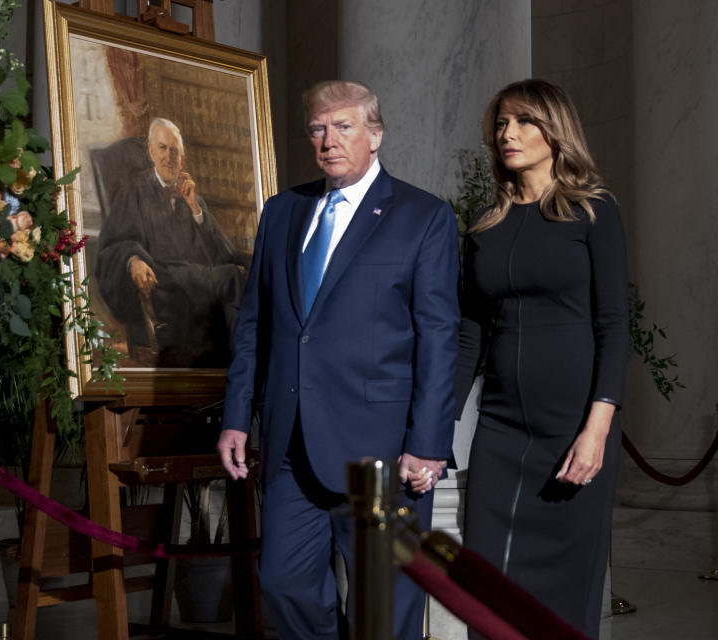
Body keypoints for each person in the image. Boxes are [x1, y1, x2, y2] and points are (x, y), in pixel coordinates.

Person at [218, 81, 459, 639]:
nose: (329, 140)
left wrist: (428, 444)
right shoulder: (282, 212)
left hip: (379, 452)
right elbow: (255, 324)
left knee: (381, 611)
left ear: (375, 134)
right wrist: (237, 416)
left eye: (344, 126)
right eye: (318, 129)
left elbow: (439, 336)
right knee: (282, 583)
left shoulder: (423, 217)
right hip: (290, 447)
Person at [454, 79, 629, 638]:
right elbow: (469, 335)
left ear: (556, 131)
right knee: (486, 584)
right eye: (502, 123)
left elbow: (613, 324)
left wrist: (597, 429)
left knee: (563, 593)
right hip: (501, 430)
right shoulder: (485, 227)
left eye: (524, 122)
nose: (509, 134)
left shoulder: (593, 212)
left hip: (574, 427)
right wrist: (433, 427)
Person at [95, 117, 247, 367]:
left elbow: (224, 253)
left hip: (197, 281)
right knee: (233, 279)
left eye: (175, 150)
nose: (169, 156)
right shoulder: (134, 189)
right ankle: (245, 370)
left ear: (183, 158)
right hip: (162, 281)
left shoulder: (190, 194)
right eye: (163, 148)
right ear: (151, 152)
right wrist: (132, 260)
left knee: (233, 298)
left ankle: (236, 372)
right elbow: (115, 242)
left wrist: (196, 209)